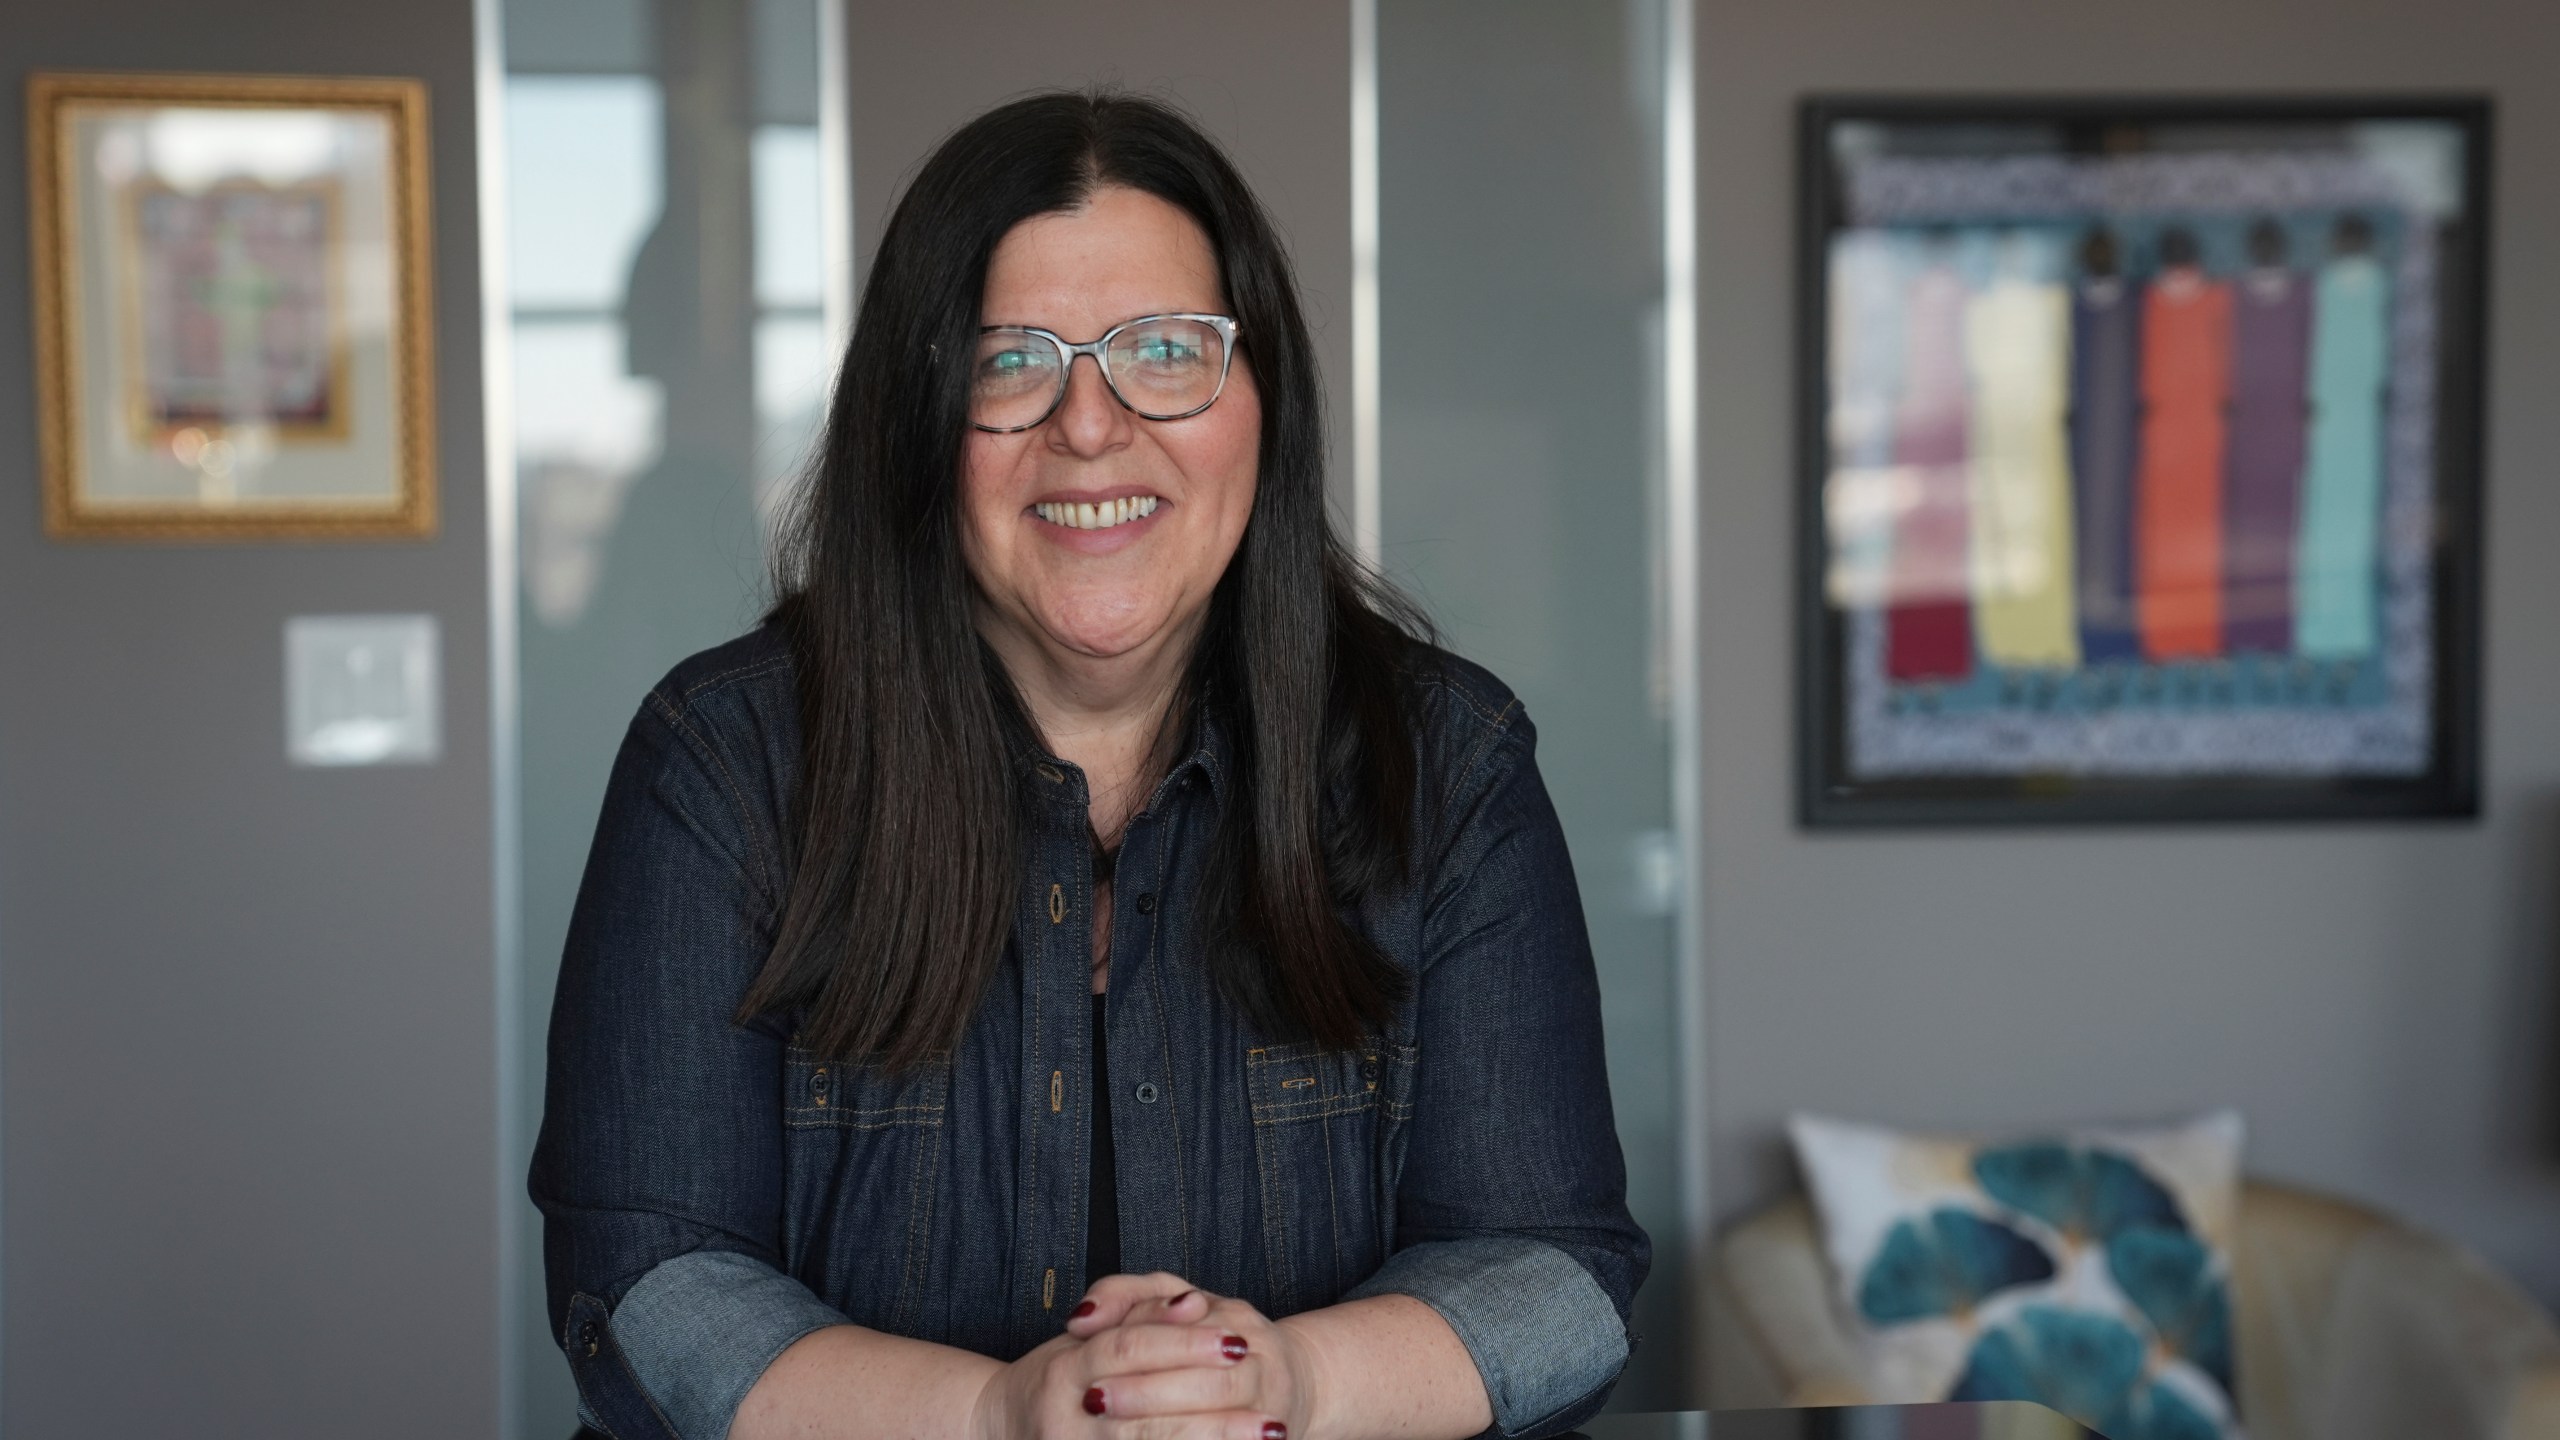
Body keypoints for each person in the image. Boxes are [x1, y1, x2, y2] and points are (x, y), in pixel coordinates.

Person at [532, 90, 1647, 1440]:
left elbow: (1558, 1277)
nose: (1091, 424)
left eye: (1165, 350)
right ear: (917, 417)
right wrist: (1000, 1416)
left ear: (1263, 398)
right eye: (1011, 362)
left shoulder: (1449, 767)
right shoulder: (722, 765)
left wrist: (1286, 1382)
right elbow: (648, 1285)